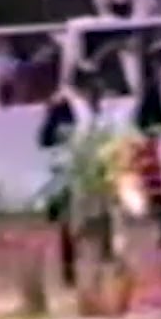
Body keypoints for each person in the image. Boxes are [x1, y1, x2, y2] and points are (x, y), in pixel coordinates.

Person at [37, 65, 101, 287]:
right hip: (67, 165)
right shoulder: (62, 106)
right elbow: (44, 138)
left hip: (87, 165)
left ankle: (91, 263)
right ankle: (70, 269)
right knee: (68, 220)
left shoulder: (90, 104)